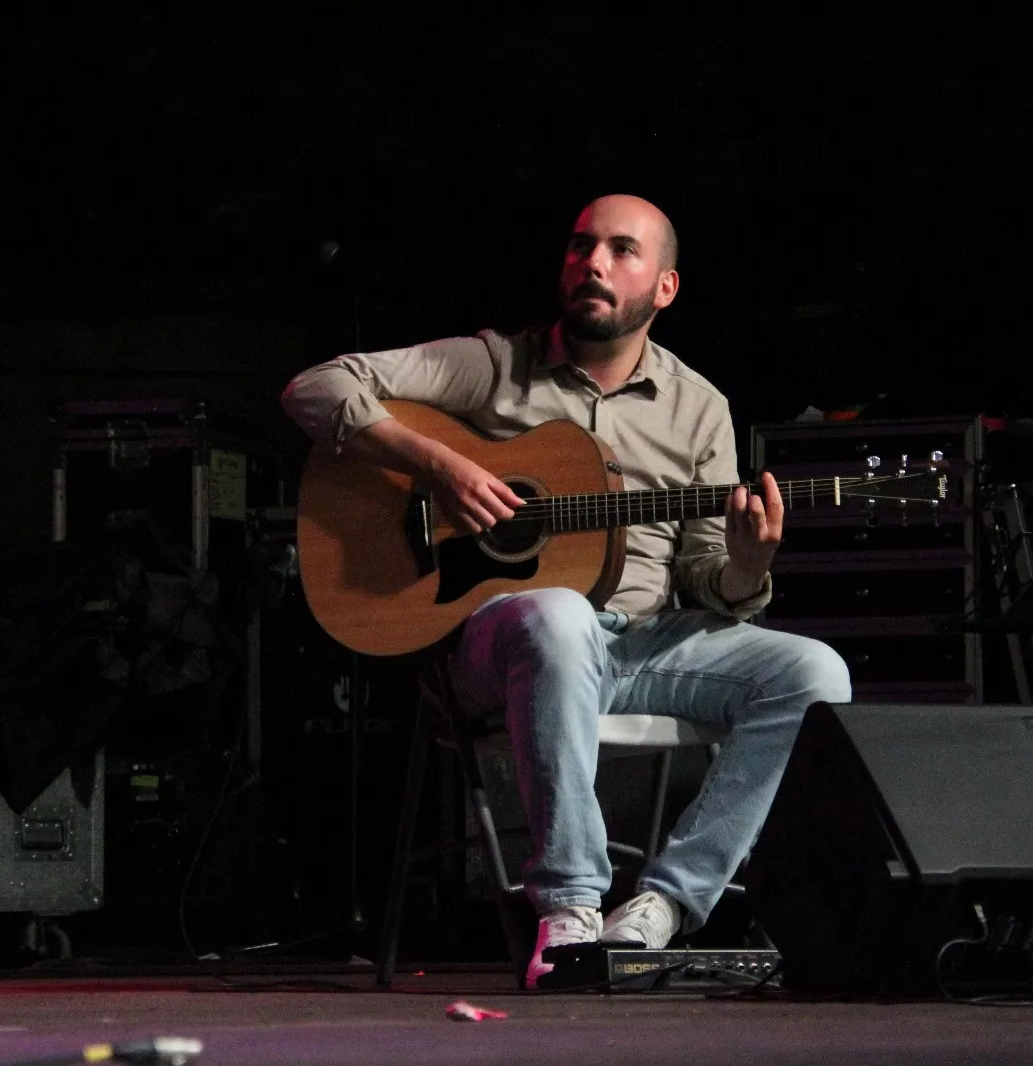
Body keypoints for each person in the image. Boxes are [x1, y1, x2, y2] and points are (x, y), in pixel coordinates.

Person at [281, 194, 851, 988]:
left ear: (664, 288)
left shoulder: (700, 407)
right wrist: (437, 464)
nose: (594, 263)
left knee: (817, 673)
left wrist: (748, 566)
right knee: (557, 612)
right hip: (502, 643)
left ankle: (664, 905)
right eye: (582, 246)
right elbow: (315, 388)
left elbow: (706, 579)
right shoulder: (493, 364)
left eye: (622, 251)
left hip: (649, 642)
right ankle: (571, 904)